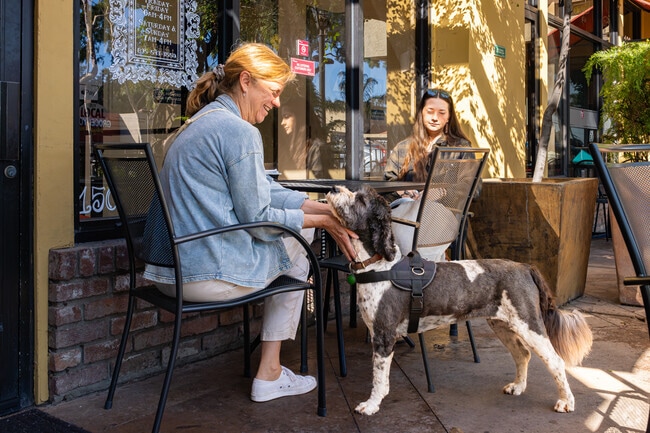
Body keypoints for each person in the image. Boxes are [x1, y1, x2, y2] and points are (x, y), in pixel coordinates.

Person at [142, 42, 357, 403]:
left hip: (169, 272)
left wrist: (318, 209)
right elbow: (258, 221)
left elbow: (263, 191)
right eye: (272, 93)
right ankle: (270, 372)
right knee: (301, 241)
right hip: (204, 276)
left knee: (302, 226)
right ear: (245, 81)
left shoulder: (199, 124)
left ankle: (271, 370)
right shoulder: (239, 132)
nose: (275, 103)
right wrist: (318, 221)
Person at [384, 88, 477, 261]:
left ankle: (423, 268)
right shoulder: (403, 148)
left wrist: (441, 193)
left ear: (449, 116)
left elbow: (472, 186)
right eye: (430, 111)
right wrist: (402, 193)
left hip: (440, 218)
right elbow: (387, 183)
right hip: (406, 214)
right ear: (421, 113)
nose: (435, 117)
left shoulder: (460, 147)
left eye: (442, 113)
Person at [278, 85, 331, 179]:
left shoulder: (315, 148)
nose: (282, 123)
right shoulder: (290, 145)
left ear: (299, 118)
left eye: (286, 116)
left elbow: (318, 181)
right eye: (282, 118)